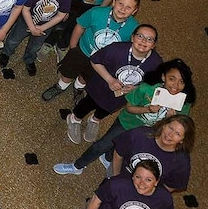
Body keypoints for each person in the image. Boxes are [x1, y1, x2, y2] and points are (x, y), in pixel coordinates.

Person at [54, 58, 194, 177]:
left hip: (147, 133)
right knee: (102, 145)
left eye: (181, 82)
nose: (176, 85)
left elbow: (178, 128)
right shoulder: (147, 89)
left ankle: (108, 157)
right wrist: (147, 109)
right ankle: (77, 166)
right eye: (172, 79)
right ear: (163, 77)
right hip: (127, 123)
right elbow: (129, 107)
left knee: (123, 150)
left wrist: (171, 120)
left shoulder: (183, 103)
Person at [64, 28, 163, 146]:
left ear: (154, 44)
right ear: (132, 37)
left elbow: (152, 83)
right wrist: (110, 80)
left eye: (149, 39)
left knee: (108, 109)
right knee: (88, 103)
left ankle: (95, 119)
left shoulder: (156, 63)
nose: (144, 41)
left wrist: (136, 88)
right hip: (101, 86)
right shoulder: (116, 49)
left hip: (122, 95)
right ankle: (75, 118)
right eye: (140, 36)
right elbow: (95, 60)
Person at [41, 0, 141, 103]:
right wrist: (73, 47)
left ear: (134, 11)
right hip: (83, 50)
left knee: (88, 76)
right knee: (69, 69)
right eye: (120, 4)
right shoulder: (97, 12)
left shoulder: (135, 29)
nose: (123, 9)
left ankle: (78, 87)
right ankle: (61, 85)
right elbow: (80, 26)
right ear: (114, 2)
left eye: (128, 7)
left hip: (102, 62)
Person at [0, 0, 72, 76]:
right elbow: (25, 9)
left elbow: (61, 15)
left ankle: (29, 59)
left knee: (36, 45)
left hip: (46, 24)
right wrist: (32, 27)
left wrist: (43, 27)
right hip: (26, 20)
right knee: (14, 39)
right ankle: (6, 53)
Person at [107, 116, 194, 193]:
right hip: (120, 174)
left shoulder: (181, 162)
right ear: (164, 125)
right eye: (170, 127)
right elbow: (118, 153)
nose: (170, 134)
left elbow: (171, 186)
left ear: (182, 140)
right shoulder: (140, 134)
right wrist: (116, 177)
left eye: (177, 134)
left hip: (145, 191)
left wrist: (150, 195)